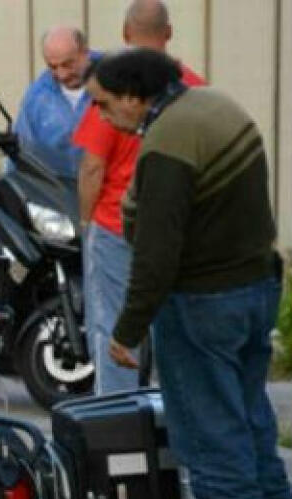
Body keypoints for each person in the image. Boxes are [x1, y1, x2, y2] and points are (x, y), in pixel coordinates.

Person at [89, 48, 292, 499]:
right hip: (256, 286)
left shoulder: (168, 142)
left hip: (203, 300)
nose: (104, 116)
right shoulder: (216, 106)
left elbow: (157, 253)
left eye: (106, 104)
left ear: (135, 96)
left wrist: (127, 331)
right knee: (249, 417)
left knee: (207, 426)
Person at [73, 0, 205, 394]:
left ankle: (119, 430)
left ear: (126, 35)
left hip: (116, 227)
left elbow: (92, 168)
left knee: (113, 333)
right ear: (168, 34)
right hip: (174, 231)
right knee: (174, 332)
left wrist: (85, 223)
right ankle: (177, 424)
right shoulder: (194, 88)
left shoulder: (115, 87)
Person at [11, 26, 97, 188]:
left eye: (67, 64)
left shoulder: (114, 80)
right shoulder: (37, 98)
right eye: (53, 67)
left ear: (85, 52)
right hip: (60, 196)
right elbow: (22, 152)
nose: (62, 74)